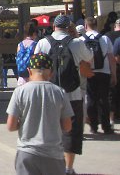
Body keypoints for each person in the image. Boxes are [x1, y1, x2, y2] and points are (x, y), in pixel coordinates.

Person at [34, 14, 92, 175]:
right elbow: (89, 57)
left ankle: (50, 165)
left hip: (48, 94)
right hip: (72, 93)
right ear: (69, 27)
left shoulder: (43, 42)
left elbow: (35, 65)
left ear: (54, 26)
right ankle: (68, 168)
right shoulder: (77, 43)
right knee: (71, 132)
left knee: (48, 130)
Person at [6, 53, 74, 175]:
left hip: (27, 153)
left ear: (29, 71)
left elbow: (10, 126)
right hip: (53, 155)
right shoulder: (60, 92)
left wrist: (25, 123)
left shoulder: (20, 92)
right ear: (51, 72)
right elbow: (67, 126)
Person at [80, 17, 117, 134]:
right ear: (96, 25)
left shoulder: (81, 39)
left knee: (91, 99)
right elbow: (111, 59)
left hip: (88, 73)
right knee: (104, 99)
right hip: (104, 72)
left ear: (85, 26)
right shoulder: (105, 39)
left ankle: (93, 126)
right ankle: (106, 126)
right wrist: (114, 75)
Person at [107, 19, 120, 125]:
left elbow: (115, 57)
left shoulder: (108, 36)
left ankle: (113, 116)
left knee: (113, 92)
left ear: (115, 26)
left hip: (114, 67)